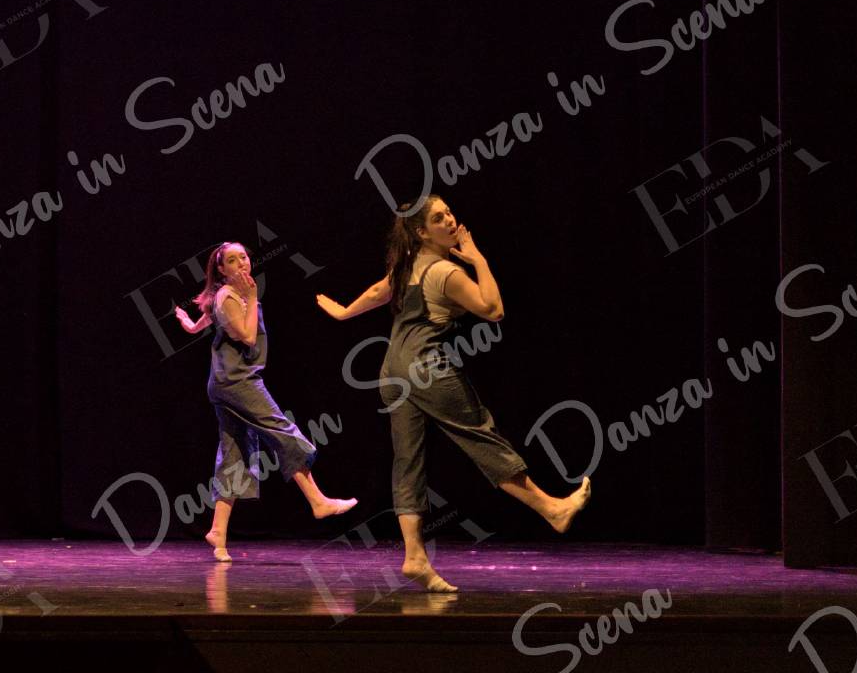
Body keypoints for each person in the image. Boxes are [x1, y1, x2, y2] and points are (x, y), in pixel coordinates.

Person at [315, 197, 591, 591]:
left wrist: (344, 312)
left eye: (448, 212)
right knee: (479, 434)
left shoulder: (408, 265)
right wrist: (478, 259)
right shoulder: (446, 271)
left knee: (408, 461)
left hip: (393, 371)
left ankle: (414, 556)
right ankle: (551, 508)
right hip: (426, 368)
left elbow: (379, 290)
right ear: (422, 232)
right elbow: (493, 310)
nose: (450, 219)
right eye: (438, 218)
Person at [172, 242, 357, 562]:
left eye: (243, 257)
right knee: (281, 431)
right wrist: (254, 295)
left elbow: (196, 326)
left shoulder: (228, 296)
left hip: (227, 382)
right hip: (237, 382)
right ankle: (317, 501)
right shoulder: (229, 297)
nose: (242, 263)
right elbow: (247, 337)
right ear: (222, 270)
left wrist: (185, 321)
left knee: (234, 453)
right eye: (233, 260)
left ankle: (217, 531)